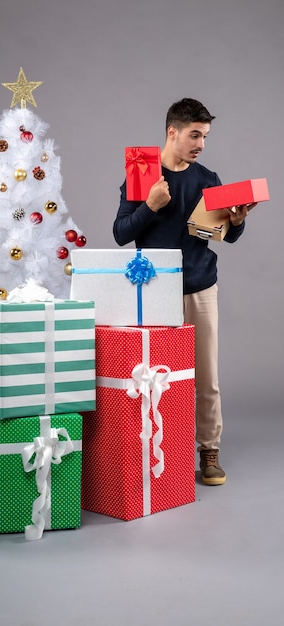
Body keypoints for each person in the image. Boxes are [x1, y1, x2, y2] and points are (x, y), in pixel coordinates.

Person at [113, 98, 255, 486]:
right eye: (195, 135)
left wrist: (236, 222)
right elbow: (122, 233)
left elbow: (217, 236)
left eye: (205, 136)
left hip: (199, 286)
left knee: (205, 376)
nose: (201, 144)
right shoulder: (142, 172)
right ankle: (163, 452)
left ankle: (209, 450)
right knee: (157, 377)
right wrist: (151, 206)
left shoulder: (207, 178)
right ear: (171, 132)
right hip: (154, 289)